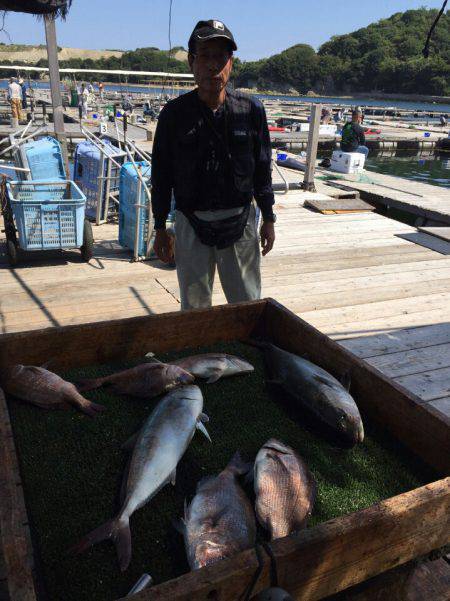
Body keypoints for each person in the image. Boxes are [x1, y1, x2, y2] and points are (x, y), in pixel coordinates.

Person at [151, 19, 276, 311]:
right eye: (205, 56)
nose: (213, 65)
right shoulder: (173, 115)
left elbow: (262, 169)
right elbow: (161, 174)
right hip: (191, 222)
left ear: (230, 63)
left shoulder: (251, 110)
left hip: (241, 220)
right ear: (192, 63)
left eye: (221, 56)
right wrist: (159, 227)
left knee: (247, 304)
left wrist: (268, 218)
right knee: (194, 308)